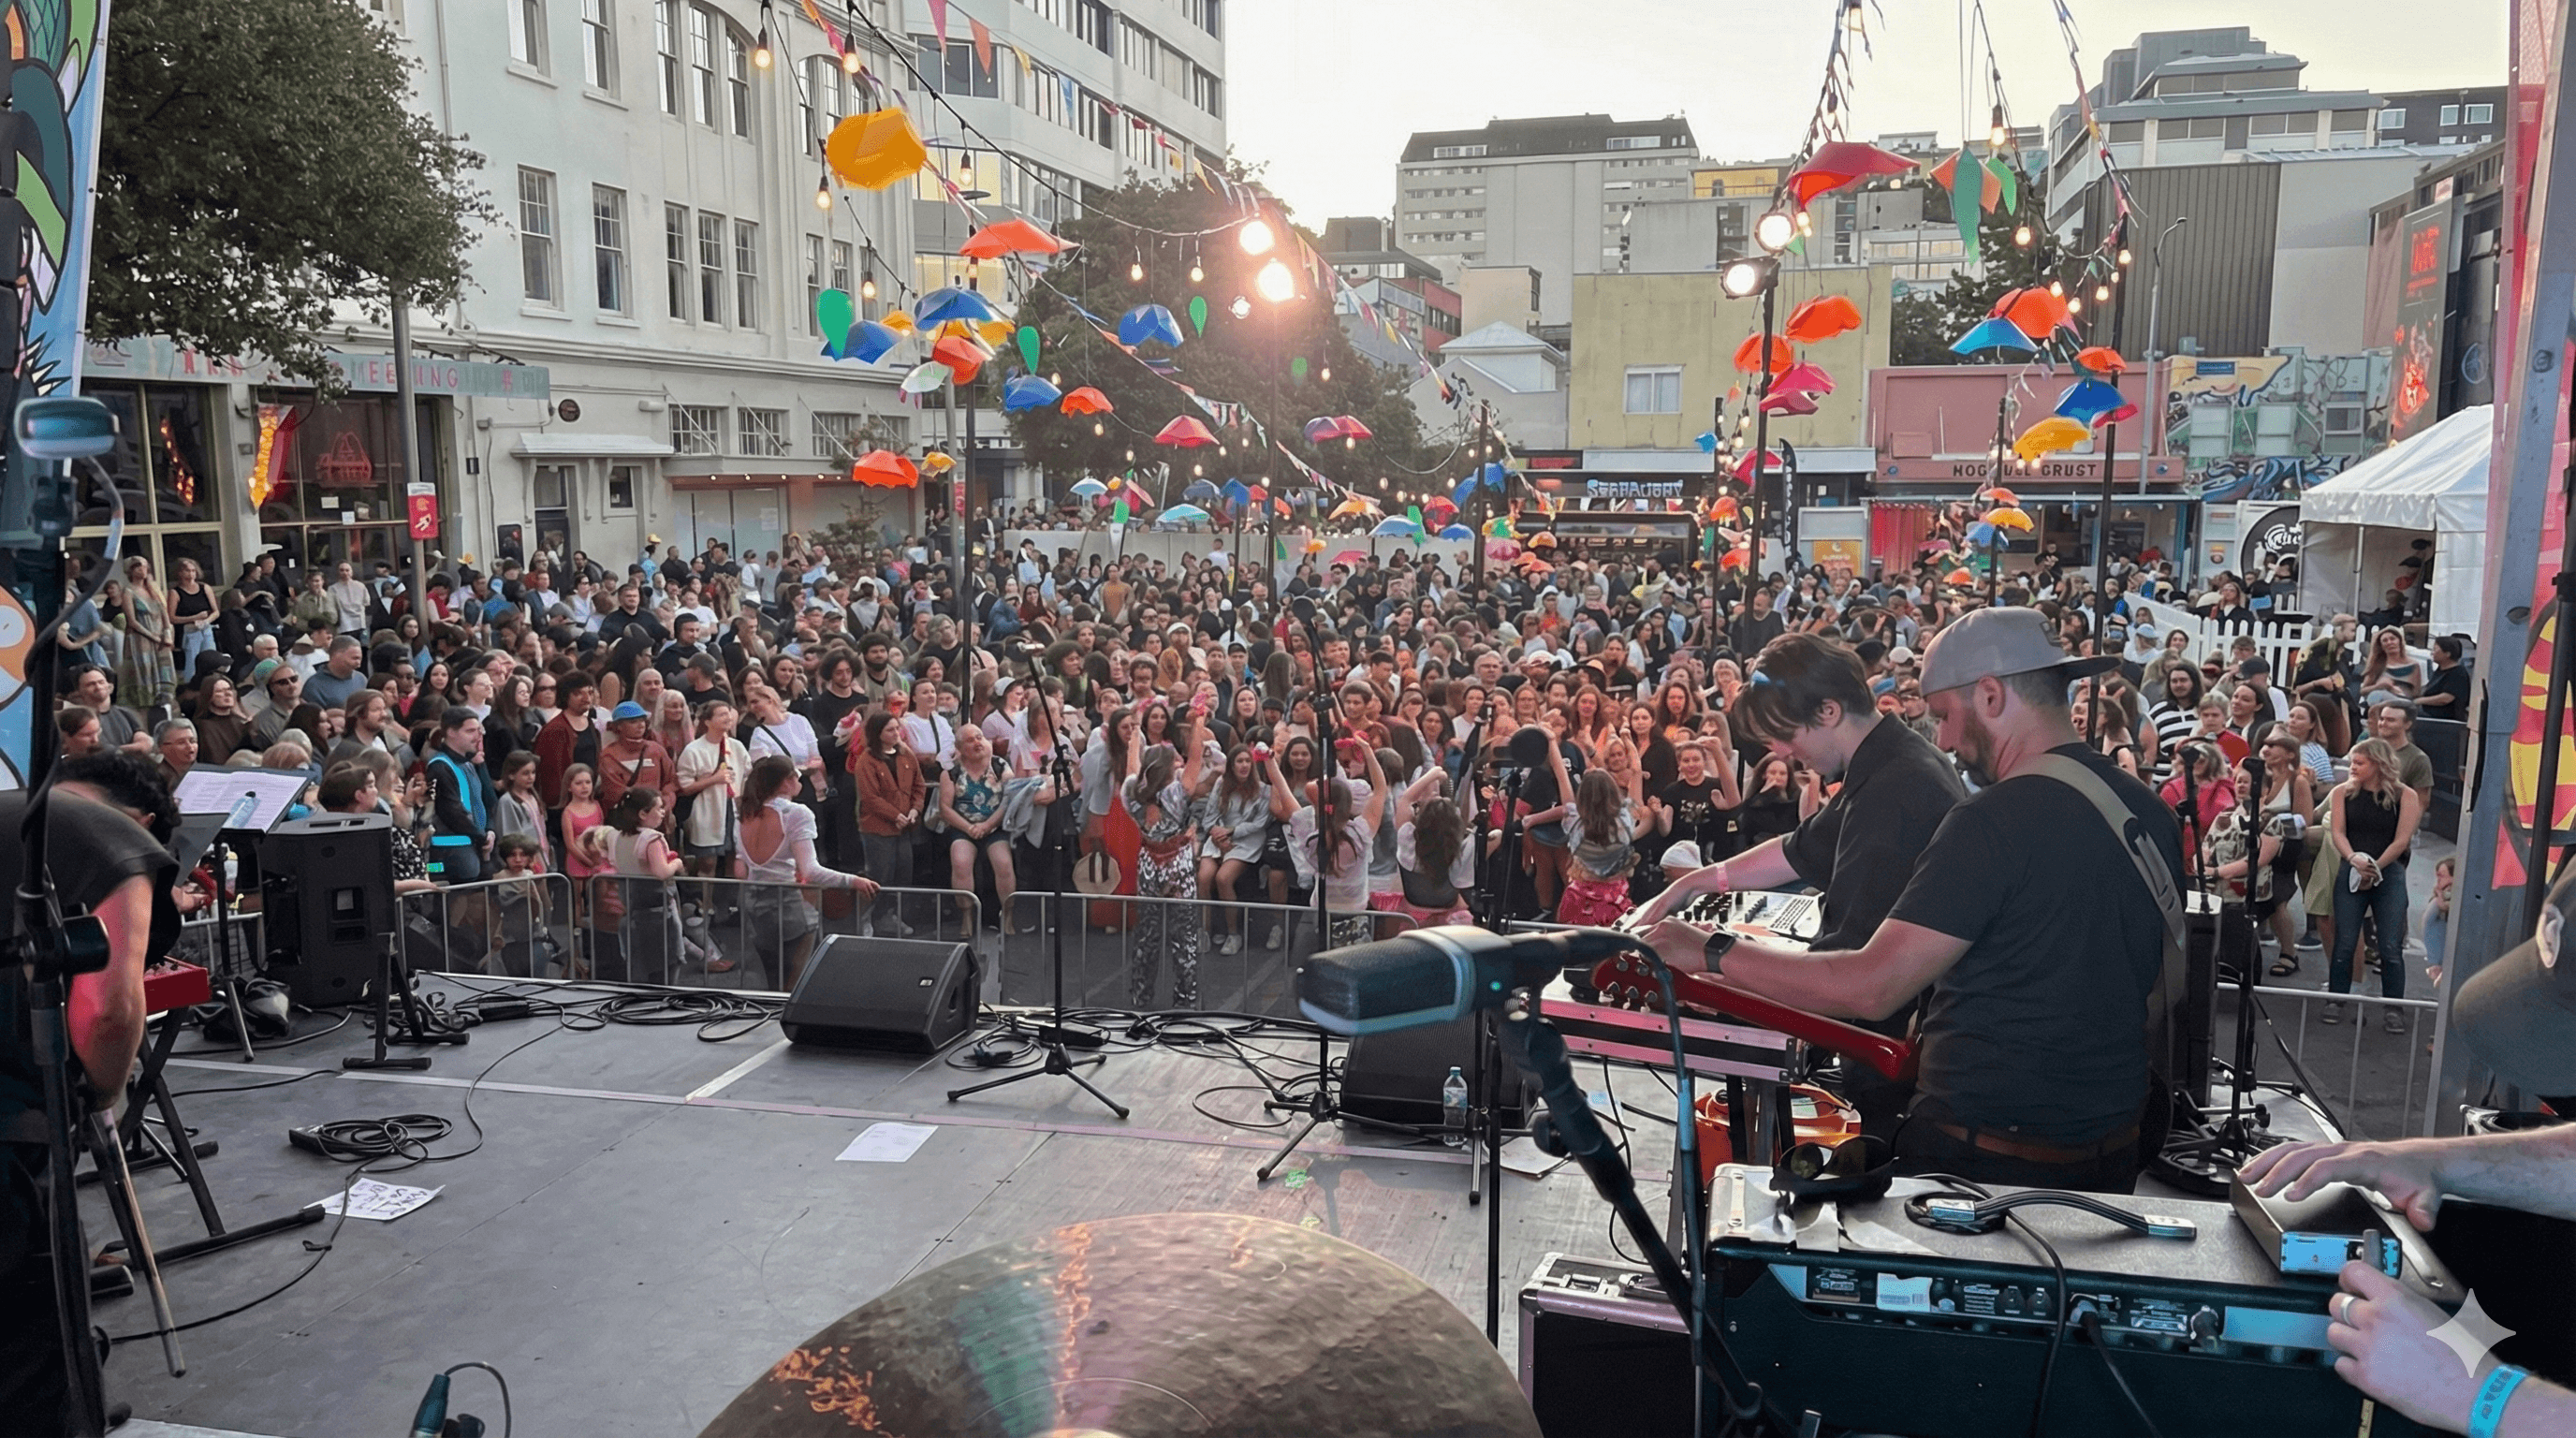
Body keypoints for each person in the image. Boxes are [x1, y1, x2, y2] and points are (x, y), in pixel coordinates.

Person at [1643, 606, 2181, 1194]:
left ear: (1992, 695)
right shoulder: (2145, 809)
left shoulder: (1992, 820)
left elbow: (1872, 988)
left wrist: (1712, 951)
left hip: (1987, 1155)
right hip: (2110, 1148)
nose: (1945, 740)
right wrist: (1702, 883)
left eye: (1948, 715)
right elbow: (2156, 983)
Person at [1642, 631, 1968, 1131]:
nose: (1781, 752)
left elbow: (1856, 984)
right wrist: (1696, 884)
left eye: (1786, 735)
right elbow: (1799, 849)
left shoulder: (1895, 794)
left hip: (1894, 1072)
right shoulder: (1889, 759)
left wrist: (1714, 961)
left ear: (1828, 712)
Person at [0, 754, 173, 1431]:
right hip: (9, 1135)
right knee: (29, 1354)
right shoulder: (112, 841)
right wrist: (99, 1095)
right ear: (145, 825)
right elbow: (106, 1009)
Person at [736, 755, 877, 988]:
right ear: (785, 782)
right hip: (791, 905)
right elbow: (811, 871)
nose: (799, 777)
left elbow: (740, 869)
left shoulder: (744, 814)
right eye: (795, 774)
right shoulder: (796, 814)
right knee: (796, 981)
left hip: (753, 904)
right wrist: (853, 881)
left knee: (770, 982)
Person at [2324, 738, 2423, 1032]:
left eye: (2359, 763)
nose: (2352, 768)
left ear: (2379, 764)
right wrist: (2354, 859)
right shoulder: (2341, 793)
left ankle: (2394, 1008)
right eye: (2352, 762)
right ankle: (2336, 999)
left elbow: (2402, 840)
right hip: (2352, 868)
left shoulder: (2405, 795)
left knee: (2390, 946)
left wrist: (2375, 868)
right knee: (2345, 940)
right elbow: (2338, 832)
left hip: (2389, 871)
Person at [1122, 722, 1210, 1007]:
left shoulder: (1132, 794)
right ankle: (1185, 1002)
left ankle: (1140, 998)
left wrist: (1135, 740)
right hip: (1178, 867)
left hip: (1148, 864)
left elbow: (1132, 769)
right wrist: (1199, 722)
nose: (1180, 763)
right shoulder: (1177, 793)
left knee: (1146, 937)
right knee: (1184, 938)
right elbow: (1196, 757)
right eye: (1174, 760)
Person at [851, 710, 925, 936]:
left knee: (903, 875)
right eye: (890, 730)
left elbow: (919, 786)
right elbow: (870, 797)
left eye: (897, 728)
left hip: (904, 828)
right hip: (878, 829)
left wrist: (915, 809)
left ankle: (890, 915)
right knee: (879, 876)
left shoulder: (906, 755)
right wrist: (895, 816)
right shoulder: (866, 761)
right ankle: (867, 917)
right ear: (878, 733)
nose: (897, 733)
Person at [424, 709, 494, 884]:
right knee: (454, 903)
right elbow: (450, 810)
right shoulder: (440, 766)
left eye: (478, 731)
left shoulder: (468, 763)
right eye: (470, 731)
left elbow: (485, 801)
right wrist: (481, 835)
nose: (477, 736)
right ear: (450, 732)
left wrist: (489, 830)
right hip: (447, 854)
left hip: (472, 846)